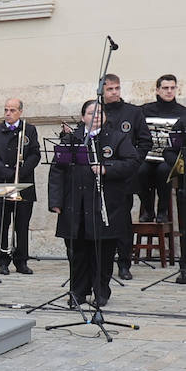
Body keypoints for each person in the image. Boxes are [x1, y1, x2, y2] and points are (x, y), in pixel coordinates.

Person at [51, 100, 137, 307]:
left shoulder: (117, 138)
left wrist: (107, 169)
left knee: (102, 252)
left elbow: (132, 162)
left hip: (104, 206)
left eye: (100, 113)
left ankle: (101, 292)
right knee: (77, 252)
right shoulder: (71, 139)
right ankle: (78, 292)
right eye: (91, 113)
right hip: (75, 205)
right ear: (83, 117)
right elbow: (57, 171)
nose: (96, 116)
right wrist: (56, 201)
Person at [99, 74, 150, 279]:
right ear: (102, 90)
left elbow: (145, 141)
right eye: (110, 89)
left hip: (124, 176)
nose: (114, 92)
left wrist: (133, 163)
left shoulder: (133, 112)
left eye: (117, 88)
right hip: (99, 175)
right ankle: (101, 262)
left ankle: (124, 263)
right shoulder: (95, 110)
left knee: (122, 220)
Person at [0, 98, 40, 275]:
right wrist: (8, 173)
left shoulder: (29, 130)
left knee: (22, 224)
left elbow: (35, 154)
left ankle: (21, 260)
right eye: (6, 110)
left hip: (23, 184)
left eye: (12, 110)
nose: (8, 113)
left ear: (20, 112)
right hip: (2, 183)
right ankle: (3, 260)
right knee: (3, 223)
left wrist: (22, 171)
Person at [139, 74, 186, 222]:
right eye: (165, 88)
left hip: (174, 160)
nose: (169, 91)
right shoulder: (145, 110)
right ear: (157, 90)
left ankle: (162, 211)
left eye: (173, 88)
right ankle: (148, 209)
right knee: (140, 171)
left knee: (164, 170)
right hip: (148, 157)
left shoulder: (183, 112)